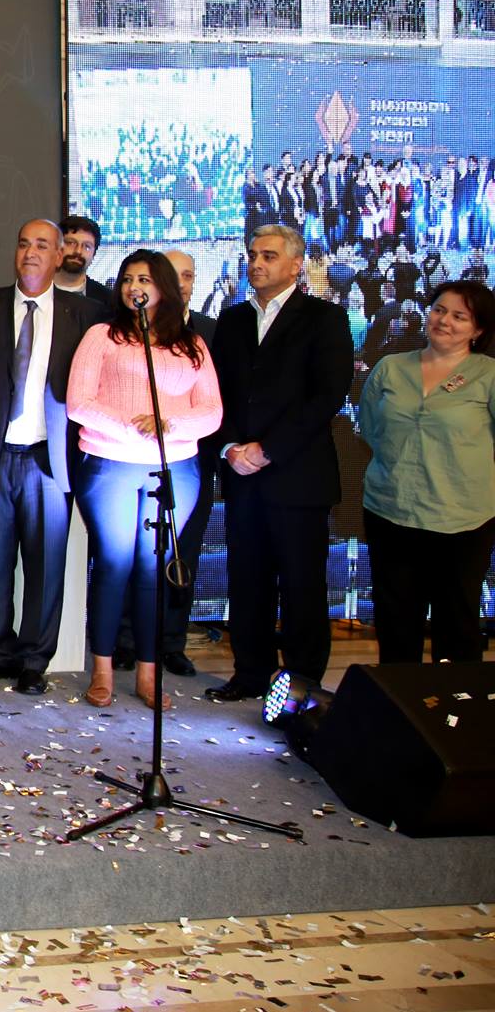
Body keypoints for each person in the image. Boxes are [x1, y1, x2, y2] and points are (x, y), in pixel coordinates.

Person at [65, 251, 223, 710]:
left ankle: (149, 675)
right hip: (110, 464)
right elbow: (78, 403)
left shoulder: (191, 344)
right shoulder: (101, 336)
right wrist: (136, 428)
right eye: (128, 279)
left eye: (146, 280)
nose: (135, 287)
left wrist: (169, 426)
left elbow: (212, 411)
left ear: (164, 287)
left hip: (175, 468)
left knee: (155, 569)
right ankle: (102, 671)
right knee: (113, 566)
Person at [206, 225, 355, 702]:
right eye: (252, 254)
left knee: (301, 588)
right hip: (242, 474)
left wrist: (266, 450)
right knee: (247, 581)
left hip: (297, 477)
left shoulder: (325, 318)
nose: (256, 263)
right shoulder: (232, 319)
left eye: (268, 255)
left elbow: (327, 396)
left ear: (295, 265)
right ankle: (250, 674)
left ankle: (300, 689)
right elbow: (216, 393)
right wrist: (231, 447)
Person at [0, 220, 103, 695]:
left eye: (42, 245)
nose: (30, 252)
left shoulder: (86, 315)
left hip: (50, 460)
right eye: (23, 243)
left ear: (60, 255)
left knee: (45, 567)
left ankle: (34, 661)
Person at [356, 280, 495, 664]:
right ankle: (400, 697)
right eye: (439, 310)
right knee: (396, 620)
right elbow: (370, 429)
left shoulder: (488, 375)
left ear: (478, 329)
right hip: (391, 510)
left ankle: (455, 700)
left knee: (457, 622)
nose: (444, 321)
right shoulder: (390, 368)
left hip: (463, 518)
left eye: (459, 316)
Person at [157, 247, 220, 676]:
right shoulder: (129, 332)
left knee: (186, 552)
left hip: (195, 462)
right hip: (137, 458)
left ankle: (172, 642)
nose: (181, 283)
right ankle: (128, 639)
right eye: (173, 274)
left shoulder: (212, 332)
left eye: (189, 276)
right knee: (136, 555)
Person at [57, 215, 111, 308]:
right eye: (71, 243)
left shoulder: (108, 301)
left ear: (94, 254)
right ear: (57, 246)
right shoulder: (34, 290)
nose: (78, 251)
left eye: (87, 246)